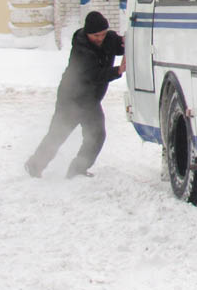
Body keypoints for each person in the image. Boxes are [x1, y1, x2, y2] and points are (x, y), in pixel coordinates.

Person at [25, 11, 126, 178]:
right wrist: (118, 70)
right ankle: (34, 166)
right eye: (95, 35)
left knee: (96, 135)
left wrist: (125, 41)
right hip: (72, 98)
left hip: (91, 100)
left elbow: (118, 45)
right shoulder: (81, 48)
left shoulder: (108, 38)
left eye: (102, 34)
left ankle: (78, 169)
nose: (100, 38)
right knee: (58, 134)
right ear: (87, 33)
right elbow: (92, 74)